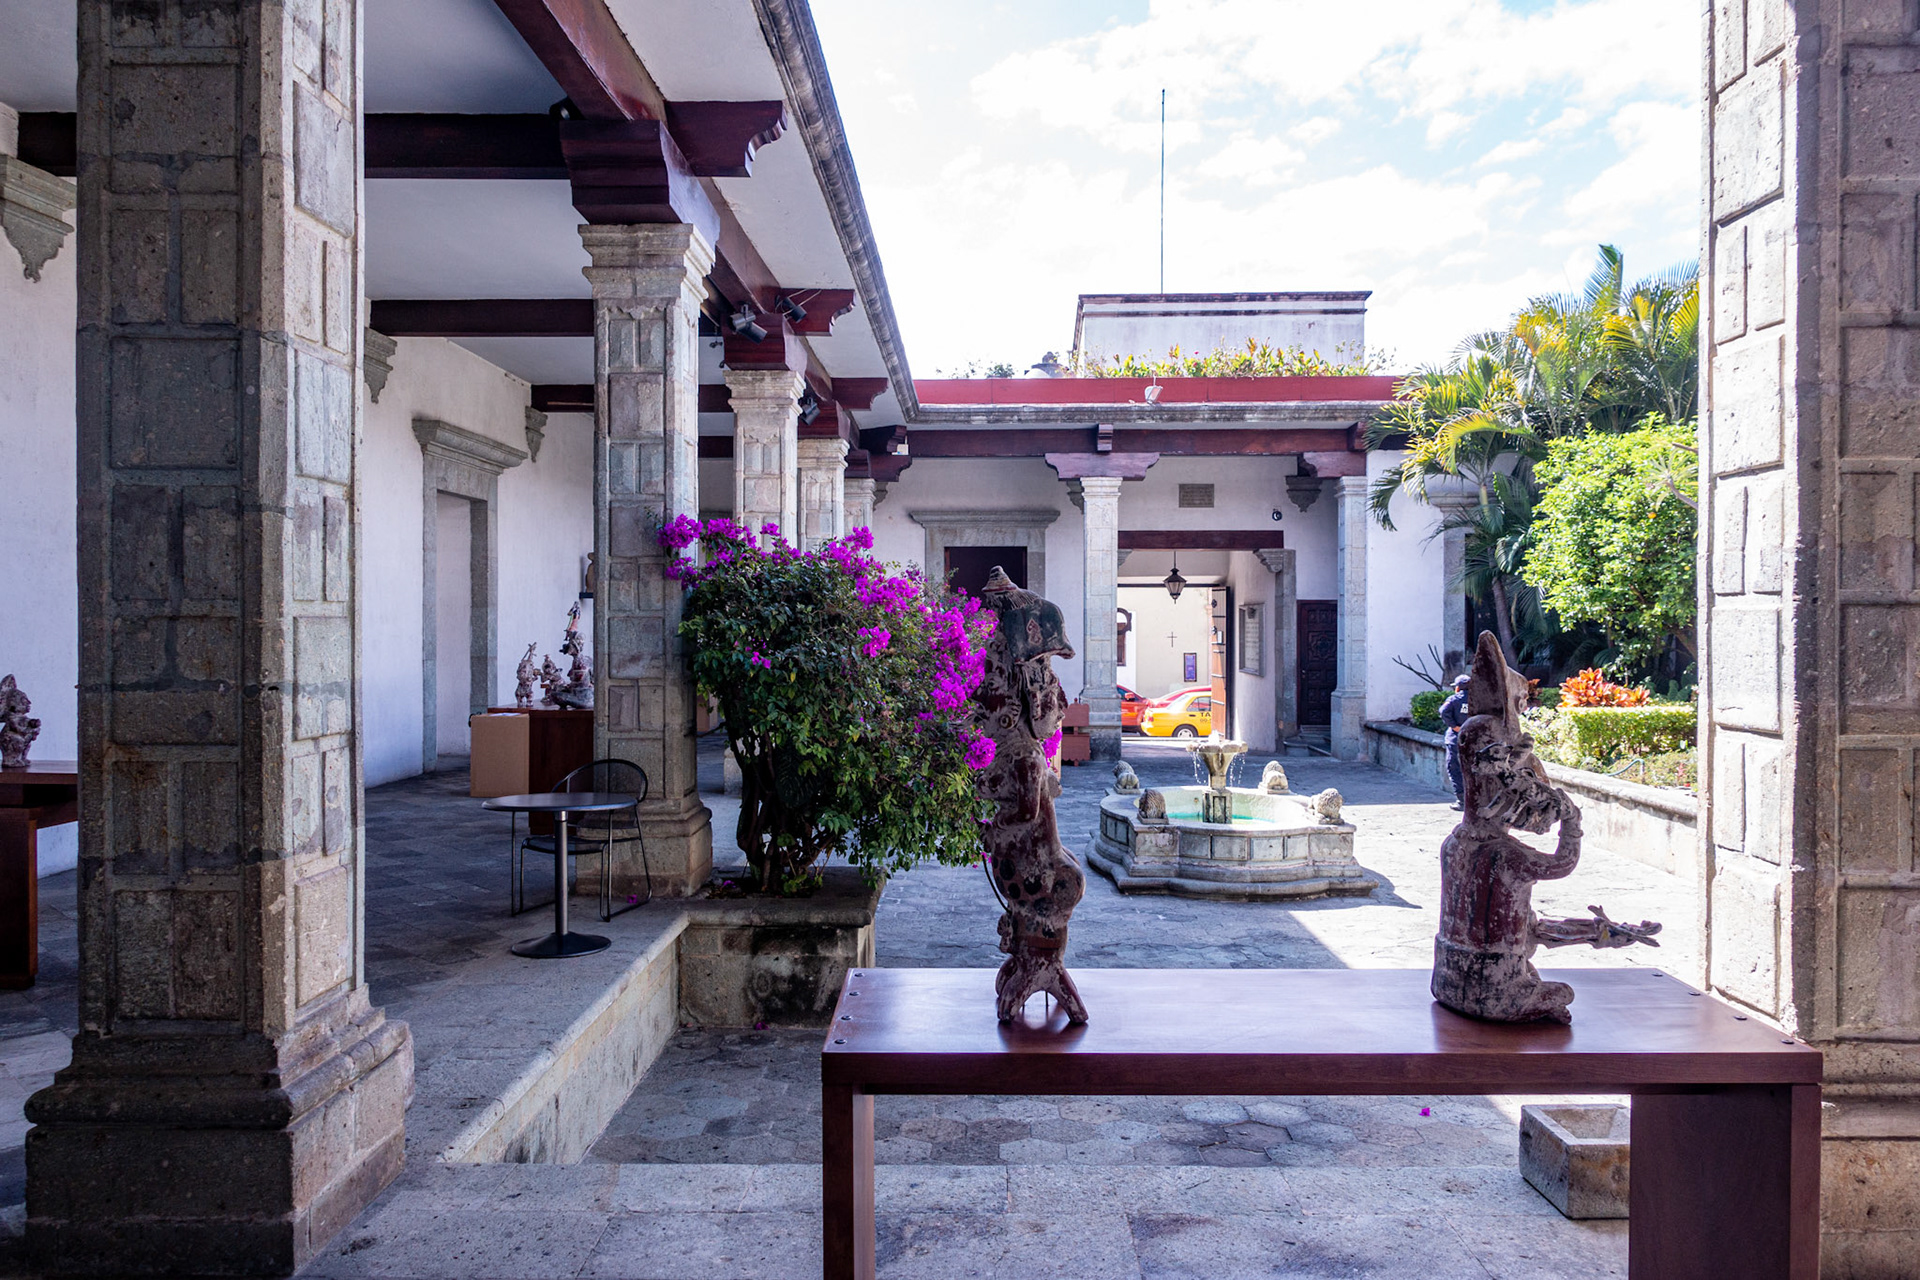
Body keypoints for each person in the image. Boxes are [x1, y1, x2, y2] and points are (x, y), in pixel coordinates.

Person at [1439, 673, 1471, 810]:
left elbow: (1443, 711)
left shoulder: (1453, 699)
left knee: (1454, 768)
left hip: (1456, 739)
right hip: (1475, 740)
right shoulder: (1480, 701)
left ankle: (1462, 801)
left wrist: (1455, 726)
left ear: (1458, 688)